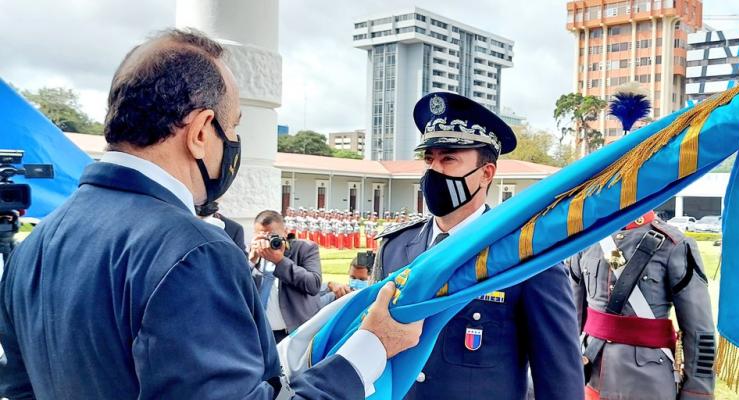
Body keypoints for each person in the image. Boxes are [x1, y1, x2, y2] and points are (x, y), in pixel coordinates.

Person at [0, 28, 422, 399]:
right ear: (202, 132)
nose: (235, 142)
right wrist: (370, 348)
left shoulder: (34, 245)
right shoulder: (193, 252)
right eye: (233, 127)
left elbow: (20, 389)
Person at [372, 92, 584, 399]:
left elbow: (559, 376)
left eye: (448, 159)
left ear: (487, 173)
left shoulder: (526, 256)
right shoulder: (396, 247)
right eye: (429, 159)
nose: (434, 171)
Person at [566, 211, 716, 400]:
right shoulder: (585, 241)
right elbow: (571, 320)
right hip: (590, 374)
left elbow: (700, 330)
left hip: (647, 384)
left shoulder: (674, 244)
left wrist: (697, 392)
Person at [249, 210, 322, 343]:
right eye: (262, 237)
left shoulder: (305, 248)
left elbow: (314, 284)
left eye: (273, 236)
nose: (267, 241)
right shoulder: (253, 254)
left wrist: (280, 261)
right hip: (261, 333)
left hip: (295, 333)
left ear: (285, 233)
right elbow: (237, 287)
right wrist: (251, 262)